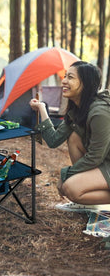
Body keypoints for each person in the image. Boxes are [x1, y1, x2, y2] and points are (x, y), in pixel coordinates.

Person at [29, 61, 110, 212]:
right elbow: (53, 140)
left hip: (105, 162)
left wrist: (65, 175)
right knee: (73, 137)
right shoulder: (78, 108)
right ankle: (87, 198)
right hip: (104, 161)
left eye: (70, 77)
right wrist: (42, 108)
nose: (64, 80)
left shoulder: (100, 112)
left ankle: (87, 196)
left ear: (85, 84)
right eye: (65, 76)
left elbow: (95, 157)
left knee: (70, 188)